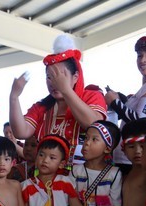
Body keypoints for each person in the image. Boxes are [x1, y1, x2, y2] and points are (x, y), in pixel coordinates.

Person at [10, 35, 107, 167]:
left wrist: (66, 90)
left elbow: (94, 124)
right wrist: (14, 97)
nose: (54, 82)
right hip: (48, 180)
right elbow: (21, 132)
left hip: (82, 179)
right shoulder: (42, 107)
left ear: (75, 77)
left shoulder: (92, 96)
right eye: (49, 77)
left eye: (60, 76)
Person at [106, 34, 146, 168]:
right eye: (139, 55)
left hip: (136, 160)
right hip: (130, 158)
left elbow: (141, 121)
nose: (143, 60)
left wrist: (115, 103)